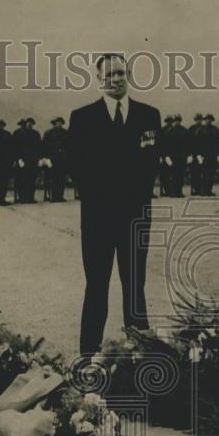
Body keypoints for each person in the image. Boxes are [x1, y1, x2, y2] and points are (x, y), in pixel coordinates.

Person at [67, 53, 161, 356]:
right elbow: (75, 166)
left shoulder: (149, 115)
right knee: (97, 286)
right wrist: (102, 196)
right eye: (109, 75)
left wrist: (133, 197)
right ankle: (88, 356)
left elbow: (152, 163)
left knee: (135, 285)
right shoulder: (83, 117)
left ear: (128, 75)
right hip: (98, 217)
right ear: (99, 79)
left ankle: (139, 354)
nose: (116, 79)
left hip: (135, 215)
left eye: (121, 73)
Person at [13, 118, 41, 203]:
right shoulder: (18, 133)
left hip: (33, 160)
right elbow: (15, 147)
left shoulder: (36, 134)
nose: (30, 124)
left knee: (32, 179)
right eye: (28, 123)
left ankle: (30, 197)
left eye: (31, 123)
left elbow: (39, 146)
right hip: (23, 160)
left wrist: (39, 158)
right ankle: (23, 198)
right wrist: (18, 158)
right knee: (23, 179)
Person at [42, 116, 68, 201]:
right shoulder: (48, 133)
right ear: (54, 123)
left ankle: (60, 196)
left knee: (61, 178)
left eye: (61, 122)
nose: (59, 124)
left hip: (62, 159)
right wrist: (46, 158)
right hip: (52, 159)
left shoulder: (65, 133)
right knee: (53, 178)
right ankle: (53, 196)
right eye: (57, 122)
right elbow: (44, 146)